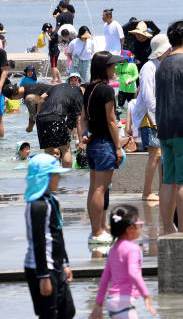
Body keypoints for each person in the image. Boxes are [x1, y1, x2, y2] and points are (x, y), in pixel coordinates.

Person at [23, 153, 74, 319]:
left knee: (68, 310)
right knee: (48, 314)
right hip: (41, 267)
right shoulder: (37, 207)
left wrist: (65, 263)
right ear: (43, 178)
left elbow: (57, 234)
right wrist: (43, 276)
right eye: (55, 174)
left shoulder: (53, 200)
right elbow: (39, 241)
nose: (59, 178)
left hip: (56, 264)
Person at [82, 51, 123, 242]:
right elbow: (111, 120)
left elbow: (83, 118)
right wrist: (117, 147)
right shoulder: (107, 90)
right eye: (112, 66)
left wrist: (84, 134)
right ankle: (97, 232)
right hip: (105, 144)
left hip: (92, 146)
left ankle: (95, 230)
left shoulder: (89, 88)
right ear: (105, 68)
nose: (115, 69)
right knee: (101, 189)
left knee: (94, 188)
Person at [127, 33, 170, 203]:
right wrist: (156, 117)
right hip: (148, 116)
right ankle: (146, 192)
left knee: (161, 156)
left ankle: (161, 190)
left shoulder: (162, 66)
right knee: (156, 155)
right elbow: (147, 95)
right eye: (168, 48)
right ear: (163, 50)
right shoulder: (148, 67)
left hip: (160, 116)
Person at [35, 77, 83, 168]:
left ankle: (50, 177)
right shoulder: (78, 92)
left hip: (41, 119)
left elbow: (42, 98)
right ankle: (67, 176)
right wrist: (81, 141)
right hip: (57, 117)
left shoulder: (57, 86)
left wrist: (38, 115)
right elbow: (79, 120)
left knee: (48, 151)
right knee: (65, 149)